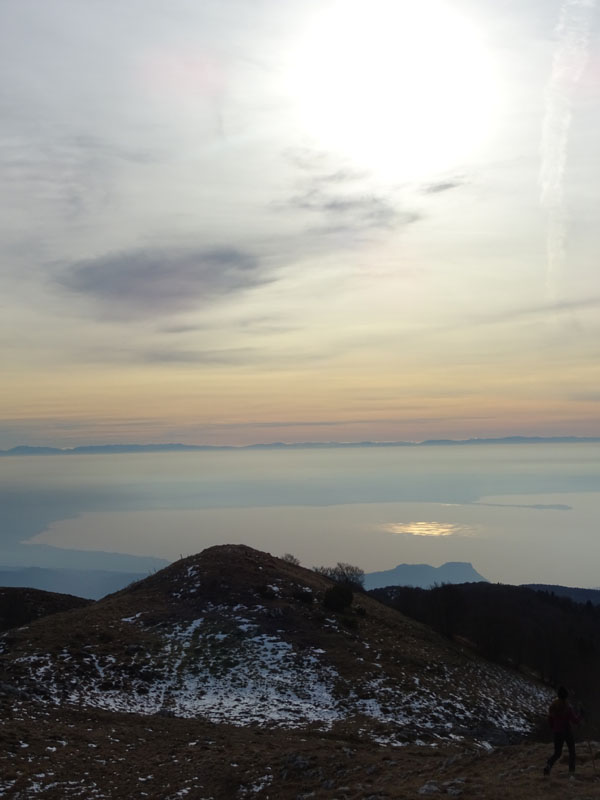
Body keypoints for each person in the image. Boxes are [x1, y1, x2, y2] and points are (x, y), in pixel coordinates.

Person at [543, 686, 581, 779]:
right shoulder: (568, 707)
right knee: (572, 751)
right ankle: (571, 772)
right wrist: (581, 715)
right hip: (567, 731)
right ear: (566, 696)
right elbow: (575, 721)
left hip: (557, 732)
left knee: (557, 753)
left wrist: (554, 727)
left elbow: (550, 720)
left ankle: (548, 765)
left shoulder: (553, 706)